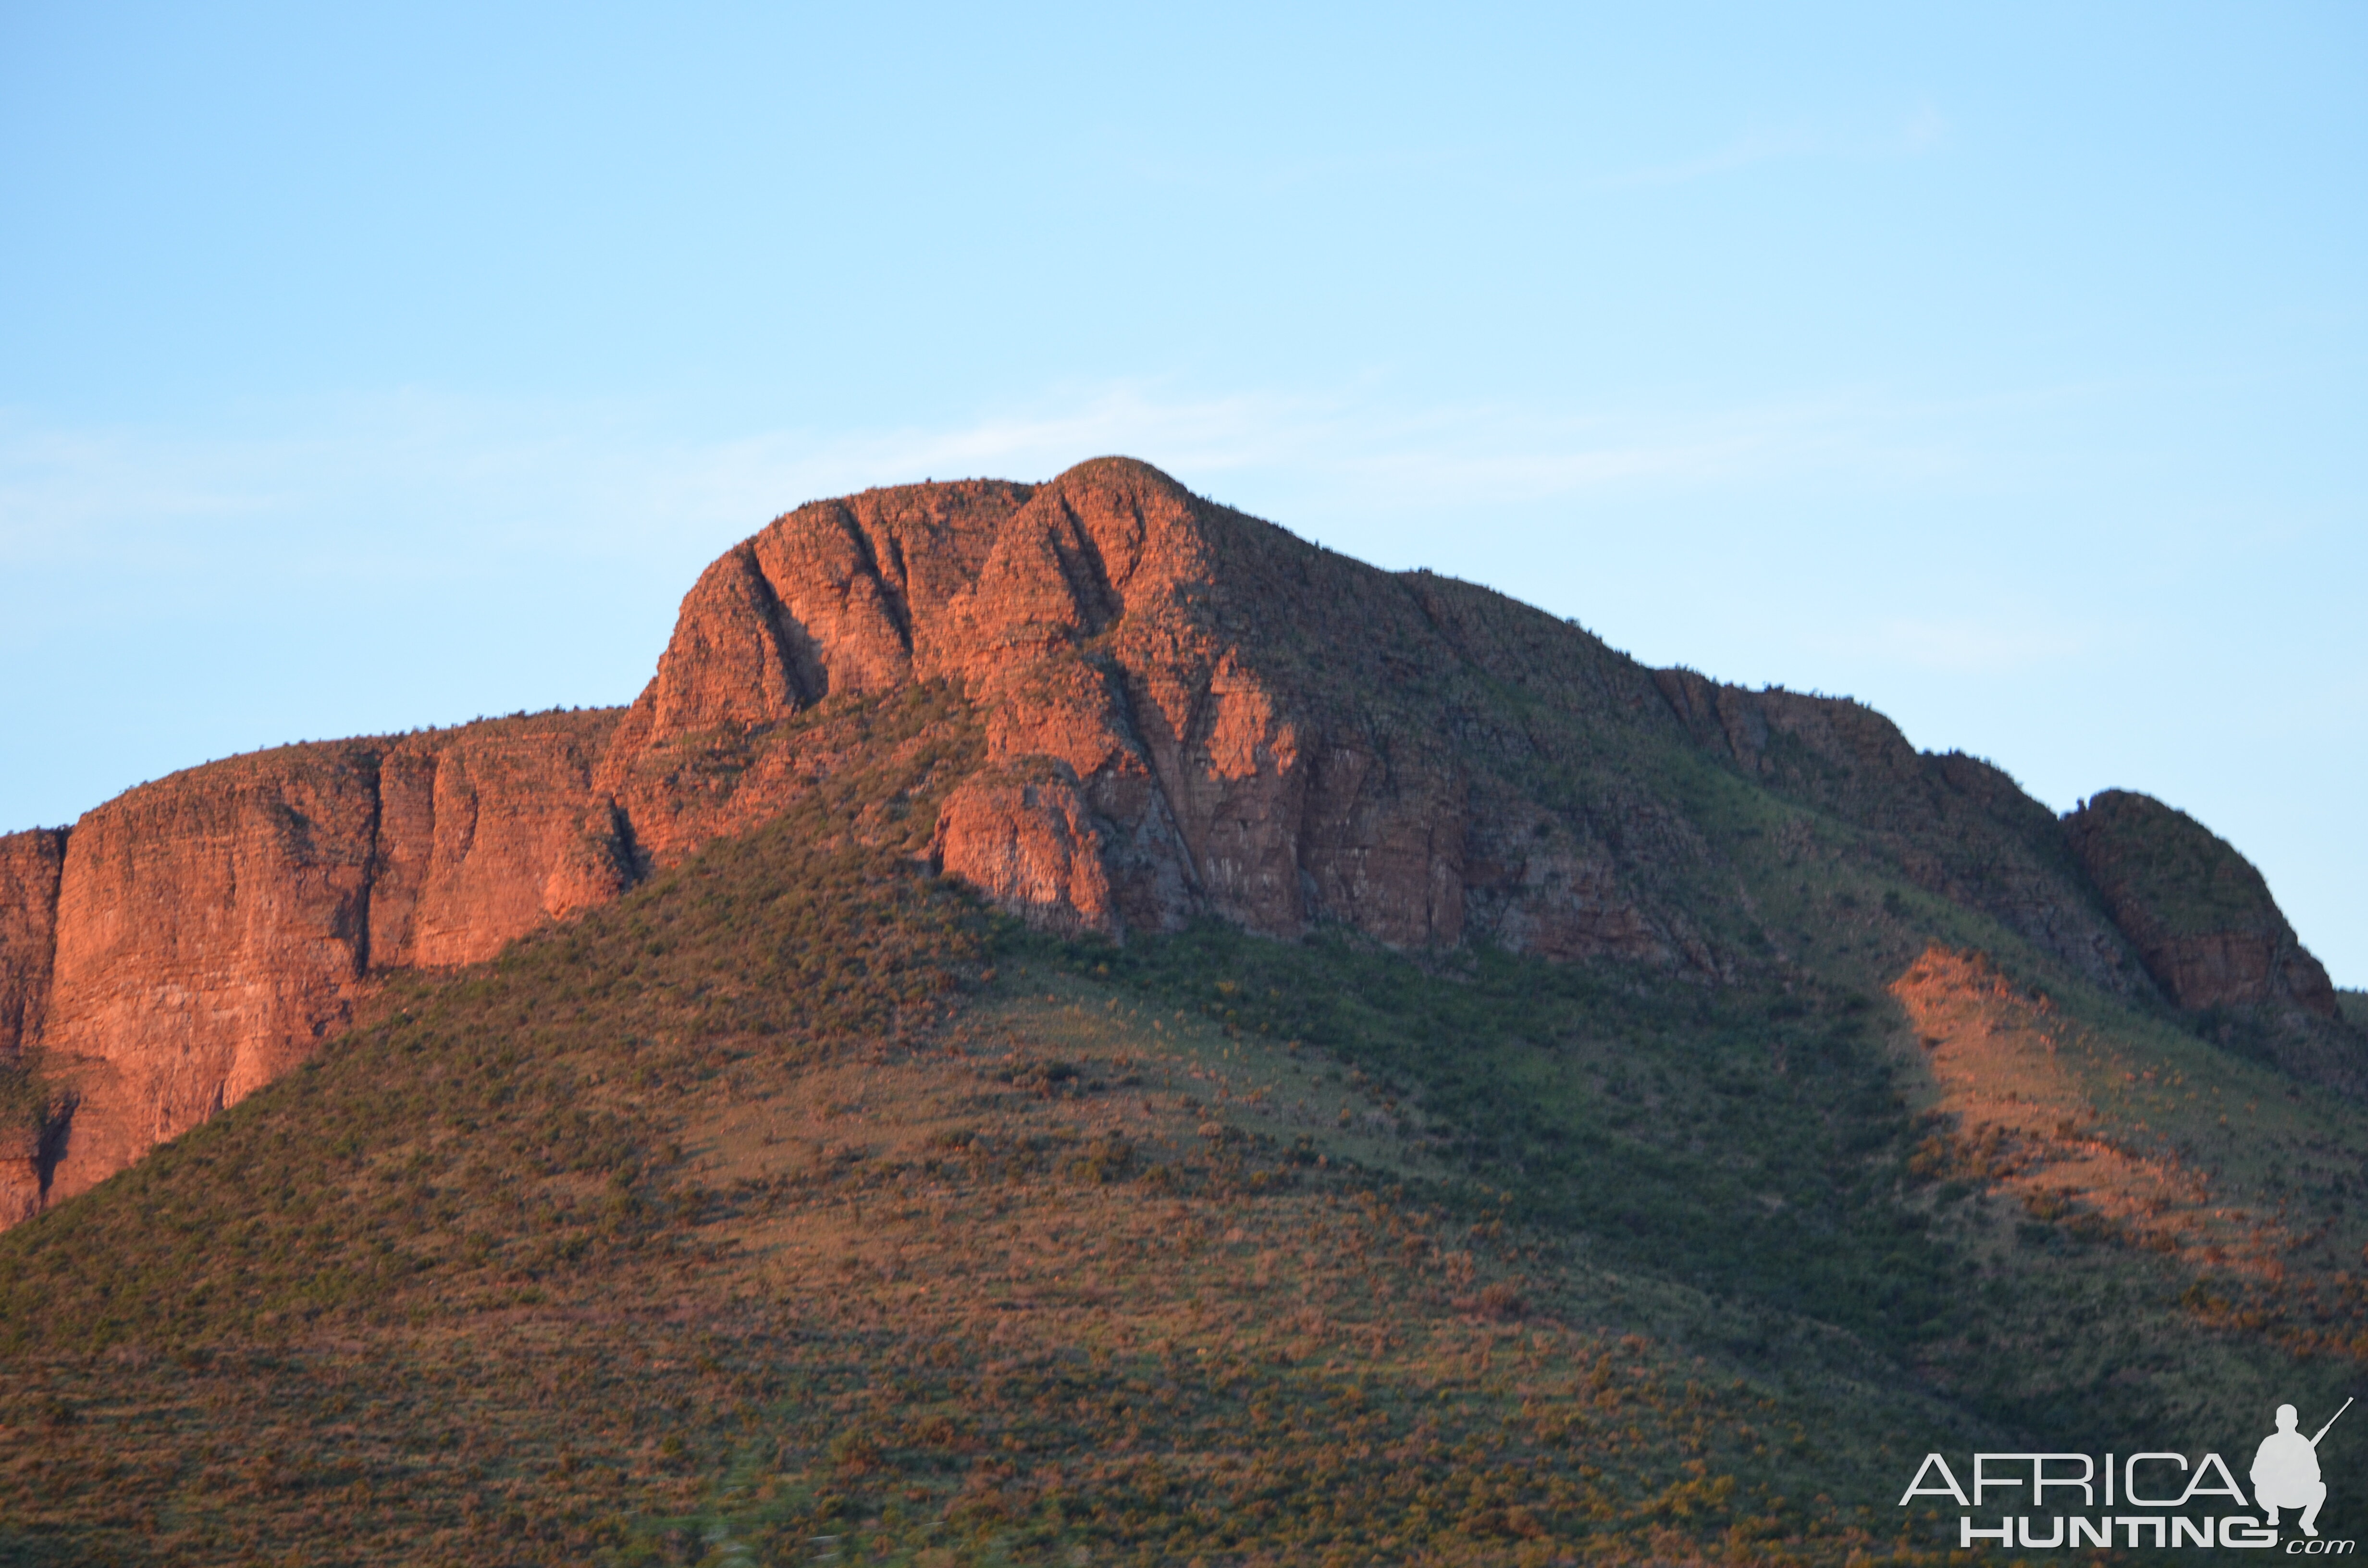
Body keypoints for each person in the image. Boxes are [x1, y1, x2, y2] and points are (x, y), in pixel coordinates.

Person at [2253, 1403, 2327, 1537]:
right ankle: (2273, 1513)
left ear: (2296, 1422)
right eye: (2283, 1419)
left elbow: (2316, 1474)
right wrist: (2274, 1473)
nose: (2286, 1422)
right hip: (2274, 1493)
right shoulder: (2269, 1443)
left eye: (2290, 1419)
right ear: (2277, 1422)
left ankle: (2307, 1522)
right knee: (2260, 1488)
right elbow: (2255, 1473)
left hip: (2297, 1492)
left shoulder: (2304, 1444)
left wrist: (2300, 1474)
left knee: (2321, 1488)